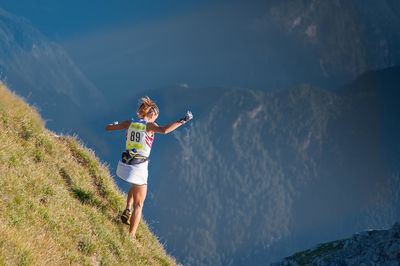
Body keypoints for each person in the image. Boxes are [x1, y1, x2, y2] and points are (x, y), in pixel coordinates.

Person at [105, 96, 193, 239]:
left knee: (135, 185)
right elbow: (164, 130)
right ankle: (131, 237)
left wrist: (114, 124)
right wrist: (183, 120)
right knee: (139, 205)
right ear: (151, 115)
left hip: (123, 165)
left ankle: (127, 208)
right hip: (138, 167)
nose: (155, 120)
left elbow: (108, 128)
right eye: (155, 117)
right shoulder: (149, 126)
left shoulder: (129, 123)